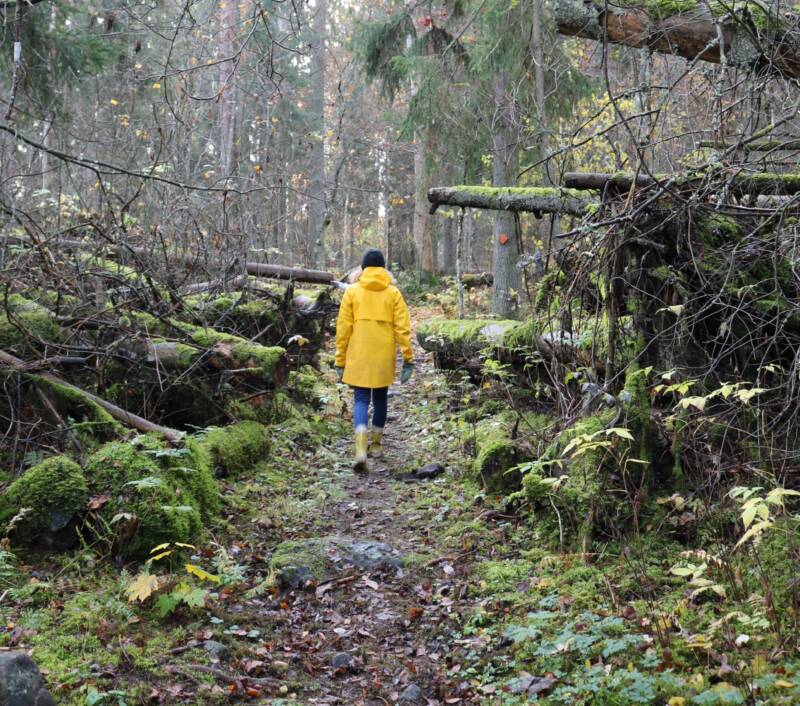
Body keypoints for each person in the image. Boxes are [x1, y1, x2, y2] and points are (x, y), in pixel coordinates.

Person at [334, 249, 414, 471]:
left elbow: (343, 329)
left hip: (359, 352)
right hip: (383, 353)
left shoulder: (352, 293)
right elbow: (402, 328)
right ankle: (376, 446)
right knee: (380, 398)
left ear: (363, 269)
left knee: (360, 399)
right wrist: (408, 358)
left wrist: (340, 360)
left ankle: (360, 448)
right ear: (383, 268)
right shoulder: (393, 293)